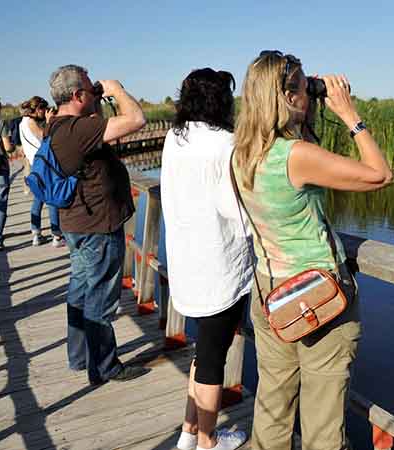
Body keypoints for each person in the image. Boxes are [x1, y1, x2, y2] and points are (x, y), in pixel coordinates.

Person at [232, 51, 393, 450]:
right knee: (322, 421)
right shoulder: (296, 156)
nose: (313, 93)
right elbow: (380, 174)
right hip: (317, 298)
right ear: (288, 97)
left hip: (269, 289)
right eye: (306, 89)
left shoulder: (243, 152)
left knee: (273, 405)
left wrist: (308, 101)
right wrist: (349, 114)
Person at [160, 68, 250, 450]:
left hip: (186, 262)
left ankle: (188, 433)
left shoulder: (174, 137)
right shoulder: (226, 144)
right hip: (218, 268)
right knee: (213, 360)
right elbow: (235, 211)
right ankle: (209, 442)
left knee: (204, 351)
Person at [47, 64, 148, 385]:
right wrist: (116, 90)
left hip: (77, 222)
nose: (95, 92)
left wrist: (96, 102)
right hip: (97, 228)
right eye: (90, 89)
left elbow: (97, 137)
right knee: (101, 298)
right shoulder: (78, 130)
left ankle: (79, 356)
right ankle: (104, 367)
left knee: (80, 290)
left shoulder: (59, 126)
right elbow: (136, 119)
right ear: (78, 95)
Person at [19, 96, 65, 247]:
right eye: (43, 110)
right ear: (38, 109)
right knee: (51, 197)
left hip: (34, 164)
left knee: (38, 198)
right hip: (43, 165)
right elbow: (45, 137)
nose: (44, 112)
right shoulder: (31, 122)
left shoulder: (22, 123)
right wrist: (50, 121)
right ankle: (57, 235)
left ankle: (36, 234)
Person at [0, 96, 10, 251]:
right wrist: (12, 146)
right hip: (0, 167)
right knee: (1, 202)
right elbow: (8, 147)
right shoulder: (0, 122)